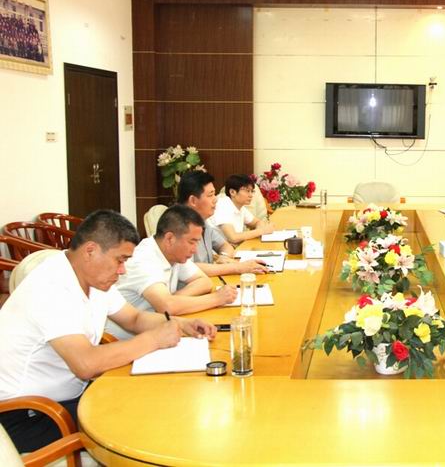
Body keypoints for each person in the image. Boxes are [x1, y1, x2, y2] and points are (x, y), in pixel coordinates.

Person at [0, 210, 216, 452]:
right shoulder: (51, 287)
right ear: (90, 251)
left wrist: (180, 324)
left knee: (156, 398)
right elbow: (86, 364)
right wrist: (154, 339)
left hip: (66, 398)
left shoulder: (92, 277)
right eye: (120, 260)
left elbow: (133, 318)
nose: (123, 270)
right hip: (27, 415)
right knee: (147, 419)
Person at [107, 205, 237, 340]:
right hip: (126, 342)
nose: (195, 249)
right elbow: (167, 307)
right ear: (170, 239)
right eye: (192, 242)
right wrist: (216, 299)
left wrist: (175, 300)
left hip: (157, 332)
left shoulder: (175, 253)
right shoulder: (143, 259)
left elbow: (204, 282)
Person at [178, 170, 269, 276]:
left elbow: (225, 245)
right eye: (210, 195)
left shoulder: (202, 221)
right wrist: (236, 267)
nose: (215, 199)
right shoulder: (178, 225)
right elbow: (188, 267)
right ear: (193, 201)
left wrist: (224, 258)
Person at [213, 174, 274, 245]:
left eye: (252, 191)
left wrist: (261, 229)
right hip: (219, 251)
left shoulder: (241, 207)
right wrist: (261, 231)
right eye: (247, 191)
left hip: (235, 248)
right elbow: (233, 238)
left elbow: (257, 222)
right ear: (232, 192)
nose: (251, 195)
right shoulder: (223, 205)